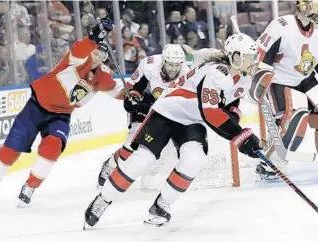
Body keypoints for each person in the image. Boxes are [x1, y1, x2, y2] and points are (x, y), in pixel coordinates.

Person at [85, 33, 262, 227]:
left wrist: (236, 126)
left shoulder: (243, 78)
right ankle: (103, 199)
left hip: (193, 120)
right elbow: (211, 112)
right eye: (250, 56)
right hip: (167, 111)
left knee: (194, 159)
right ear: (236, 57)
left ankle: (162, 204)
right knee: (142, 160)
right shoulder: (217, 73)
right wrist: (240, 136)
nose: (255, 60)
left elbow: (230, 105)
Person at [0, 18, 116, 207]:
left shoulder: (102, 76)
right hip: (36, 106)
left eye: (101, 55)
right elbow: (81, 47)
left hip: (61, 115)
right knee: (11, 150)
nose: (96, 57)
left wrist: (134, 96)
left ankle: (31, 186)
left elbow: (117, 90)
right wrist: (95, 36)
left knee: (52, 148)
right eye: (95, 52)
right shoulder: (78, 58)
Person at [97, 44, 189, 190]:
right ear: (164, 61)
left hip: (165, 109)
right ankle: (110, 165)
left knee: (155, 149)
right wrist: (132, 99)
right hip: (145, 103)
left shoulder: (187, 74)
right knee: (132, 143)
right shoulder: (149, 65)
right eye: (170, 64)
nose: (173, 69)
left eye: (177, 65)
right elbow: (135, 88)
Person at [255, 0, 318, 181]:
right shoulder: (282, 25)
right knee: (295, 119)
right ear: (302, 5)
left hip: (305, 79)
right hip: (279, 80)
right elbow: (260, 55)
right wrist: (257, 84)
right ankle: (271, 162)